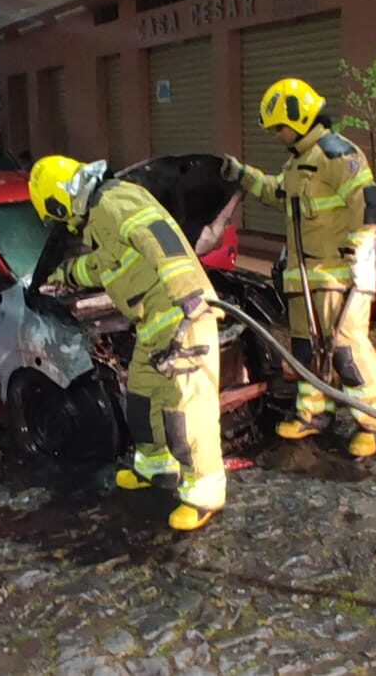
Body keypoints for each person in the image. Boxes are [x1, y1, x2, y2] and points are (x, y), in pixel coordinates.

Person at [29, 154, 226, 531]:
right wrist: (64, 273)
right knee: (141, 401)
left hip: (183, 317)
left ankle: (205, 492)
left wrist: (189, 298)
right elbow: (105, 264)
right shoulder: (100, 218)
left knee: (185, 411)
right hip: (153, 324)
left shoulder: (114, 201)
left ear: (58, 200)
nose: (61, 224)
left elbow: (159, 239)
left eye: (56, 215)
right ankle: (156, 469)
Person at [219, 78, 376, 458]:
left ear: (297, 119)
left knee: (346, 350)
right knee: (306, 352)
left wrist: (361, 245)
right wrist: (241, 174)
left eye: (279, 127)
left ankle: (373, 422)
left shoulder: (335, 155)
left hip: (339, 276)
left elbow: (369, 201)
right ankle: (314, 414)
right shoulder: (297, 164)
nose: (277, 135)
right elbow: (275, 192)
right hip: (305, 279)